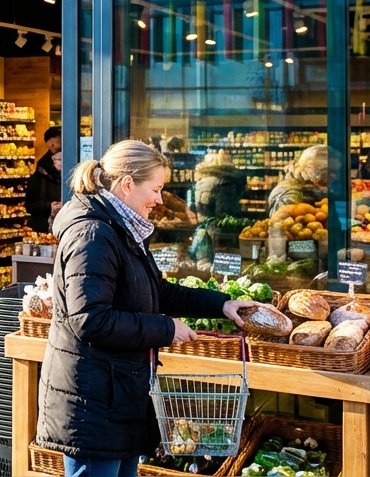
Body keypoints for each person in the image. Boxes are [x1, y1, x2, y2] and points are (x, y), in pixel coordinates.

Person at [36, 140, 250, 476]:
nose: (160, 200)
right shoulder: (93, 235)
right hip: (92, 403)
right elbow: (90, 320)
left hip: (116, 394)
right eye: (156, 189)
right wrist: (167, 329)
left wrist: (221, 304)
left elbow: (156, 291)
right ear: (127, 184)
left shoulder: (120, 228)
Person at [267, 144, 339, 216]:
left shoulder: (308, 187)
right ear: (313, 170)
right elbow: (285, 224)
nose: (335, 177)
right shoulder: (291, 194)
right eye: (331, 172)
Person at [27, 127, 64, 234]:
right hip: (45, 224)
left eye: (56, 140)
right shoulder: (42, 170)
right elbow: (30, 204)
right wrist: (49, 205)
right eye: (50, 141)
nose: (53, 145)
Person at [192, 151, 246, 219]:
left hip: (203, 223)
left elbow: (194, 207)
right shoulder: (226, 183)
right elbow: (224, 213)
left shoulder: (201, 182)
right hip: (218, 225)